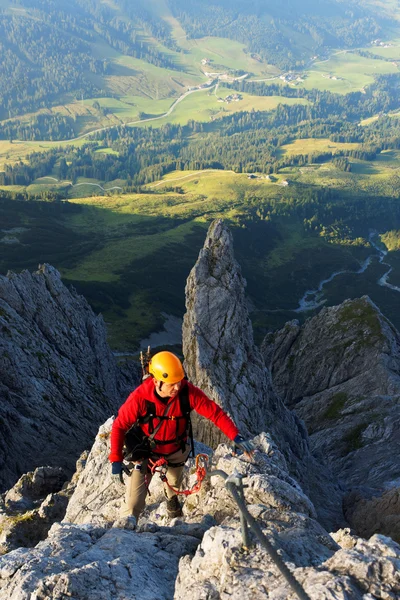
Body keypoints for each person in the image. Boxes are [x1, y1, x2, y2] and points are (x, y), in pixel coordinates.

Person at [109, 350, 255, 526]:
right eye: (172, 384)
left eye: (179, 382)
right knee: (133, 503)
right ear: (157, 382)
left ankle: (171, 500)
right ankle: (129, 526)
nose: (177, 387)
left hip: (176, 450)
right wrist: (116, 460)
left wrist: (235, 436)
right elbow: (119, 426)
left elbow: (215, 413)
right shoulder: (140, 398)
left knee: (174, 483)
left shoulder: (187, 393)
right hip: (146, 452)